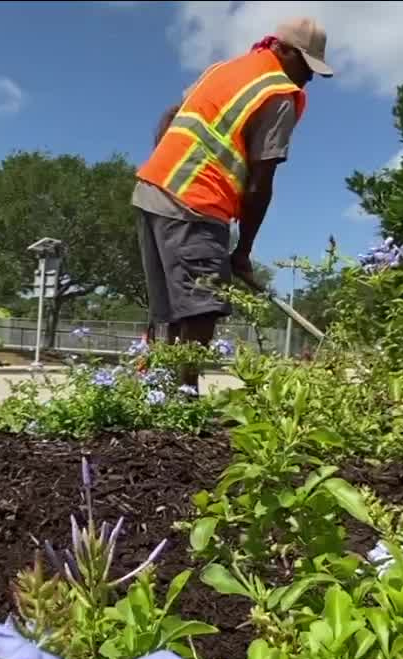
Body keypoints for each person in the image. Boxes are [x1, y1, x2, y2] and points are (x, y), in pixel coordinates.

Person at [133, 17, 332, 388]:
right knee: (201, 304)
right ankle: (183, 397)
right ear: (283, 50)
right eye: (306, 66)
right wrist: (243, 251)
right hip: (197, 200)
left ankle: (155, 396)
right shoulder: (277, 94)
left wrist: (166, 169)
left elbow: (170, 117)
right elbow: (260, 182)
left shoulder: (223, 70)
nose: (308, 78)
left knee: (170, 309)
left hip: (152, 190)